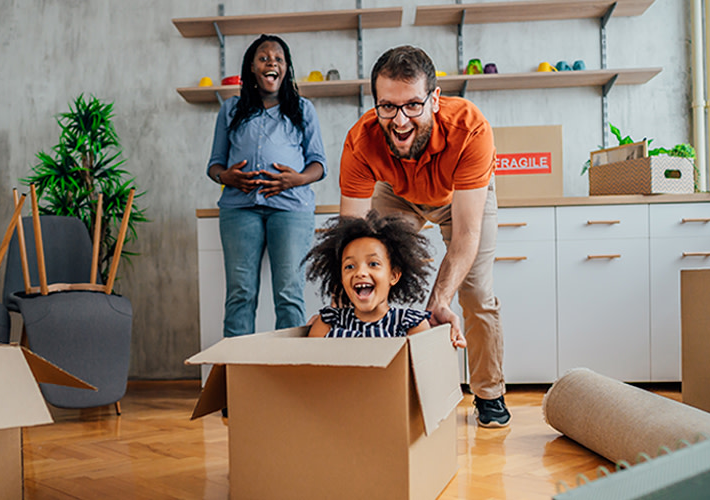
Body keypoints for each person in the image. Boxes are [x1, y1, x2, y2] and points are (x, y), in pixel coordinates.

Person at [338, 45, 509, 428]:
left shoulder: (470, 128)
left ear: (435, 99)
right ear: (376, 103)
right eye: (388, 107)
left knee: (476, 292)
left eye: (413, 105)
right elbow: (350, 242)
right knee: (372, 275)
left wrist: (439, 301)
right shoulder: (361, 141)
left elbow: (466, 233)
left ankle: (489, 393)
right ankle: (382, 385)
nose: (399, 121)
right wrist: (345, 300)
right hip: (397, 192)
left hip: (459, 196)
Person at [206, 35, 326, 339]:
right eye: (264, 57)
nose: (271, 62)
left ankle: (287, 377)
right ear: (251, 67)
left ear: (286, 69)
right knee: (240, 296)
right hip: (239, 209)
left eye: (279, 58)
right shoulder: (230, 110)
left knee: (288, 295)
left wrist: (295, 179)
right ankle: (238, 377)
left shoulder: (302, 109)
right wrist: (227, 177)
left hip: (291, 209)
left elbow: (319, 164)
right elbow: (215, 164)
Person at [302, 213, 465, 347]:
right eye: (350, 266)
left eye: (373, 264)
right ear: (340, 278)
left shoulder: (411, 325)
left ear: (393, 276)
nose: (360, 272)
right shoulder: (328, 322)